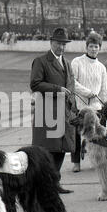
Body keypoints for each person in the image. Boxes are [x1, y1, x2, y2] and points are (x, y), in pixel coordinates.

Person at [30, 27, 77, 194]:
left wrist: (73, 108)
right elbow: (35, 84)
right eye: (58, 43)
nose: (61, 47)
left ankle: (55, 184)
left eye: (64, 44)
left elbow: (71, 86)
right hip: (47, 113)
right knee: (48, 151)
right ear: (51, 43)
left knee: (61, 149)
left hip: (64, 113)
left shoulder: (67, 63)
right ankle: (46, 186)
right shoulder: (41, 61)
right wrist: (58, 89)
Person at [70, 32, 107, 172]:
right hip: (80, 107)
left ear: (99, 48)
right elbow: (72, 83)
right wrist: (87, 92)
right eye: (91, 46)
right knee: (76, 136)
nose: (94, 49)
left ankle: (96, 160)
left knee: (98, 135)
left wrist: (106, 105)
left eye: (96, 46)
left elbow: (104, 89)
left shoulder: (102, 67)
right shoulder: (77, 62)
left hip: (97, 107)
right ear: (86, 47)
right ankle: (76, 163)